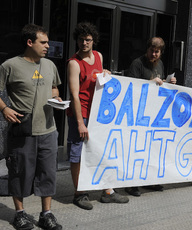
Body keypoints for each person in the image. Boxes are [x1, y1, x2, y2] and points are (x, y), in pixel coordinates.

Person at [0, 24, 62, 230]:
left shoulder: (49, 65)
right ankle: (19, 213)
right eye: (43, 42)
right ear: (30, 42)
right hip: (22, 129)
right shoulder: (11, 65)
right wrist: (4, 109)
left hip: (48, 129)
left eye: (48, 42)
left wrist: (57, 99)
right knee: (19, 172)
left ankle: (46, 214)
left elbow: (54, 87)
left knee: (48, 173)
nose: (47, 46)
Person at [67, 22, 129, 210]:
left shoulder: (98, 56)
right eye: (81, 39)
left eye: (88, 40)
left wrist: (106, 73)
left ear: (93, 41)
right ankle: (79, 193)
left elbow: (100, 80)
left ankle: (107, 191)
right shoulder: (74, 63)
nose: (84, 43)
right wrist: (80, 123)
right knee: (77, 154)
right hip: (82, 114)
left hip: (98, 114)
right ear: (76, 41)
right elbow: (75, 95)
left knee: (101, 150)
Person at [125, 37, 176, 196]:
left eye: (157, 52)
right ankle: (130, 183)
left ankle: (147, 181)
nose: (154, 54)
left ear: (161, 53)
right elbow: (130, 87)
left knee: (150, 149)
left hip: (152, 113)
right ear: (147, 49)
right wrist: (150, 82)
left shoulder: (159, 64)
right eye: (152, 51)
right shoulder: (137, 64)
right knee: (135, 149)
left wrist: (168, 83)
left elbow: (158, 86)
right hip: (137, 113)